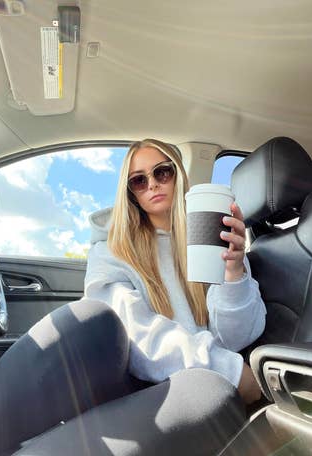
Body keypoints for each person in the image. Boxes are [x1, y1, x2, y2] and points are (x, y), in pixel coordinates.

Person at [84, 138, 266, 404]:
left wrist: (233, 272)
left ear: (177, 174)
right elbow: (134, 335)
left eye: (162, 172)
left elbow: (235, 338)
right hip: (154, 393)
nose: (153, 184)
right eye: (139, 180)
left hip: (216, 391)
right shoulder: (111, 252)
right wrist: (229, 372)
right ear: (130, 193)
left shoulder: (213, 234)